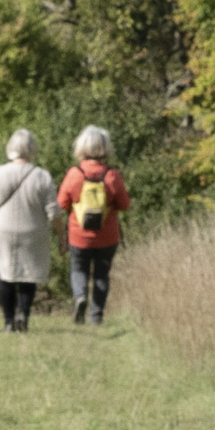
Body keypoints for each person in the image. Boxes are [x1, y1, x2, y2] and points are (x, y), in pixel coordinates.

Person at [0, 127, 61, 335]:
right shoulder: (42, 176)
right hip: (34, 231)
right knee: (28, 274)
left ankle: (8, 321)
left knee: (5, 275)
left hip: (2, 231)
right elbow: (54, 212)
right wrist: (62, 237)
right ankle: (23, 314)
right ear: (32, 149)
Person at [58, 127, 129, 325]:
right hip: (107, 237)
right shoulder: (112, 175)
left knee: (78, 269)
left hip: (78, 236)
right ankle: (96, 316)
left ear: (81, 147)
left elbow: (61, 204)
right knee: (101, 275)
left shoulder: (74, 174)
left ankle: (80, 297)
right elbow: (125, 205)